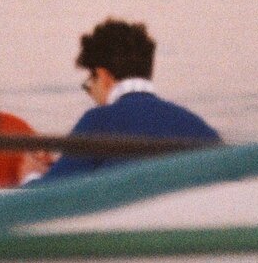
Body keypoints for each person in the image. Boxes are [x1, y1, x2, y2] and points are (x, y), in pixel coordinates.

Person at [30, 18, 218, 183]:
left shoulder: (98, 121)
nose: (92, 95)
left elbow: (50, 192)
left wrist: (29, 175)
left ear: (103, 76)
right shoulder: (198, 127)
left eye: (90, 85)